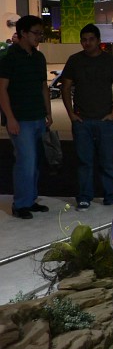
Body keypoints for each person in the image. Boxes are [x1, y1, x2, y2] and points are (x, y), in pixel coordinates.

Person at [61, 23, 113, 210]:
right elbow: (65, 87)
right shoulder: (74, 60)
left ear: (98, 41)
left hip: (105, 121)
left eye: (91, 39)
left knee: (107, 162)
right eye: (84, 40)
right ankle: (84, 196)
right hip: (82, 121)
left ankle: (111, 195)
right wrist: (71, 115)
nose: (87, 43)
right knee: (84, 162)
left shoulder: (110, 61)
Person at [0, 15, 52, 219]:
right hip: (20, 119)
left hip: (38, 116)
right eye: (35, 33)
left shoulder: (39, 57)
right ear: (23, 33)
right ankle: (20, 204)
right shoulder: (9, 57)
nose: (39, 37)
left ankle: (30, 200)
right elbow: (2, 90)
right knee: (26, 162)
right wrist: (10, 118)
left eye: (41, 33)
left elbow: (43, 87)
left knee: (35, 161)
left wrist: (48, 112)